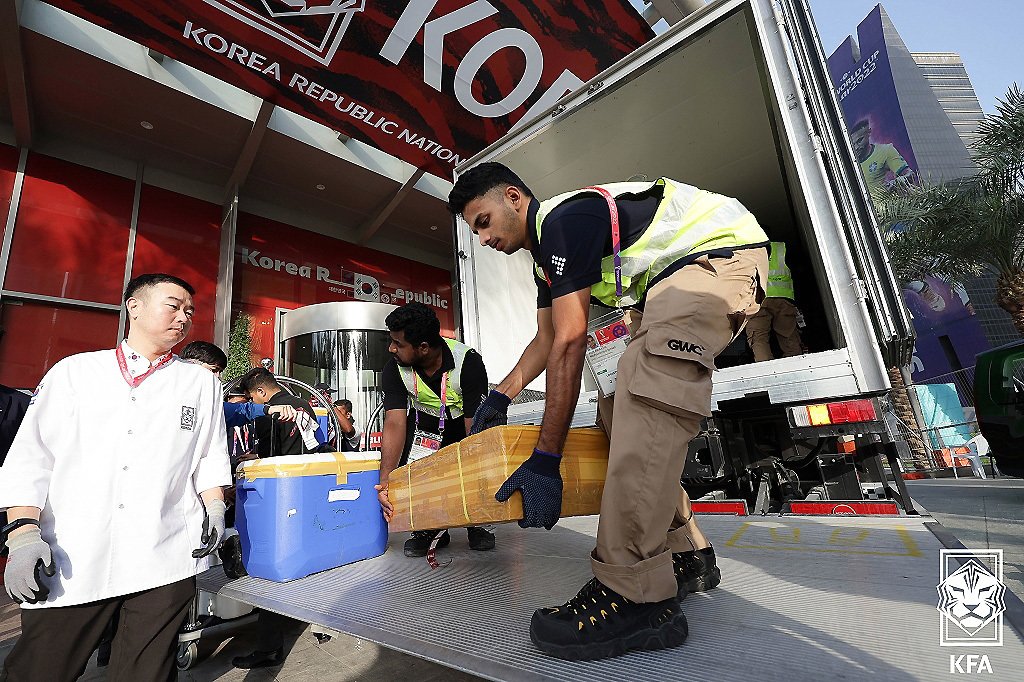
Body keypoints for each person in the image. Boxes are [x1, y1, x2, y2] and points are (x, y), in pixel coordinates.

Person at [447, 163, 769, 661]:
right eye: (475, 230)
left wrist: (546, 459)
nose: (483, 238)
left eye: (483, 220)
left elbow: (572, 339)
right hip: (670, 281)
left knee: (647, 390)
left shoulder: (563, 219)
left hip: (713, 256)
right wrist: (501, 394)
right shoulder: (544, 260)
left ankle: (635, 595)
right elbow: (548, 337)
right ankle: (688, 555)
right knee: (619, 414)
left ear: (513, 197)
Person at [0, 273, 231, 680]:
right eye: (173, 305)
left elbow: (210, 454)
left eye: (190, 311)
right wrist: (22, 535)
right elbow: (31, 457)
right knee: (41, 669)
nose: (184, 317)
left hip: (165, 555)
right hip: (73, 557)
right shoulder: (76, 372)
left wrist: (213, 506)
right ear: (134, 307)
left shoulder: (200, 383)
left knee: (146, 672)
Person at [373, 303, 495, 556]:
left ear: (424, 348)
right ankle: (430, 528)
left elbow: (475, 429)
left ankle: (478, 521)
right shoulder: (393, 368)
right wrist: (386, 480)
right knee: (418, 470)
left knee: (476, 460)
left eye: (398, 343)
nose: (391, 348)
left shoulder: (468, 362)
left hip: (465, 426)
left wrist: (475, 474)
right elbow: (395, 422)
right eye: (391, 340)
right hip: (424, 428)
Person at [230, 367, 318, 670]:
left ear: (260, 393)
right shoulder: (303, 403)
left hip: (280, 493)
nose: (254, 403)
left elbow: (271, 457)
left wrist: (252, 461)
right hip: (308, 488)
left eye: (253, 397)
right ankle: (303, 617)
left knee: (270, 561)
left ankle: (269, 646)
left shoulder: (272, 412)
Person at [238, 368, 318, 457]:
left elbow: (267, 453)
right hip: (310, 465)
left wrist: (259, 456)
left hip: (281, 468)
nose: (252, 403)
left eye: (251, 398)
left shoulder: (266, 413)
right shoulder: (304, 404)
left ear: (261, 391)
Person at [744, 241, 803, 362]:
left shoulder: (744, 250)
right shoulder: (782, 248)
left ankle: (766, 369)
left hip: (757, 299)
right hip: (783, 298)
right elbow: (798, 271)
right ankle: (795, 366)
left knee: (758, 338)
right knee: (789, 336)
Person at [849, 119, 915, 192]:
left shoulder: (885, 151)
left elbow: (910, 175)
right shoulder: (845, 164)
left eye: (859, 141)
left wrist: (899, 181)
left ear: (869, 132)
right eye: (852, 144)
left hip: (884, 202)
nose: (856, 147)